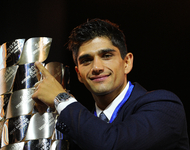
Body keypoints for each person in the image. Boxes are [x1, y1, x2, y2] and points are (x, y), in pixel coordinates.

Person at [32, 18, 189, 150]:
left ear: (126, 62)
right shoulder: (75, 128)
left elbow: (111, 144)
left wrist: (61, 99)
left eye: (106, 56)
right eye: (86, 60)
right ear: (79, 74)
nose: (97, 68)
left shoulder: (165, 106)